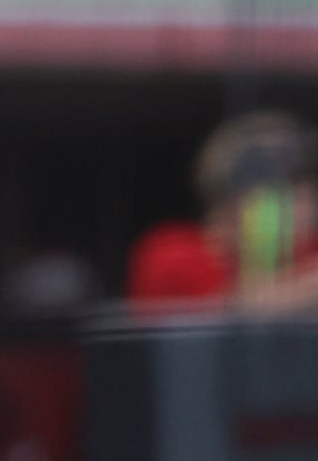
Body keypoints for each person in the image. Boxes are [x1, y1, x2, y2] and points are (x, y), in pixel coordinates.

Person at [128, 109, 318, 315]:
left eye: (302, 181)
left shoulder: (310, 249)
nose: (303, 202)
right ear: (226, 200)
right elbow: (220, 327)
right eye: (277, 184)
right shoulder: (172, 253)